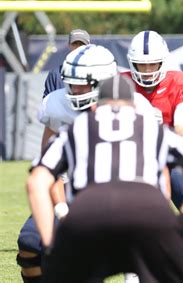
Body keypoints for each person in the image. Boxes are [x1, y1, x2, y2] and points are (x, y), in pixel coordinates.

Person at [27, 74, 183, 282]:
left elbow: (36, 182)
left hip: (89, 215)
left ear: (95, 105)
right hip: (148, 214)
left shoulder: (74, 129)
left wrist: (49, 242)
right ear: (134, 106)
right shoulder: (153, 129)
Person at [16, 44, 157, 283]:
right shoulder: (56, 104)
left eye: (81, 83)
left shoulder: (135, 107)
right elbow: (47, 168)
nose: (73, 89)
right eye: (70, 83)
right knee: (30, 243)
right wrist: (61, 208)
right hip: (68, 188)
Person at [123, 30, 183, 282]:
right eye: (142, 63)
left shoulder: (181, 82)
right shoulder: (119, 84)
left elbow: (182, 133)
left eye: (153, 62)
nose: (148, 69)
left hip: (173, 161)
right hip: (136, 162)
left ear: (164, 61)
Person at [43, 28, 91, 98]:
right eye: (75, 44)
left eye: (81, 44)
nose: (78, 47)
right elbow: (48, 103)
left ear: (89, 47)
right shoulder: (56, 74)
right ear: (69, 45)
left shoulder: (97, 72)